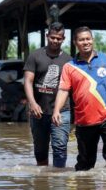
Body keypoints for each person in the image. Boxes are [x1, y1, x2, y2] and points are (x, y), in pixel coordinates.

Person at [52, 26, 106, 171]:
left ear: (92, 40)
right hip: (84, 120)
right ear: (75, 42)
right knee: (86, 164)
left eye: (88, 39)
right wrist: (56, 110)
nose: (85, 42)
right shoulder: (69, 67)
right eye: (81, 40)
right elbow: (63, 90)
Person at [24, 22, 72, 168]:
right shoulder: (35, 56)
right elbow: (27, 81)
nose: (55, 41)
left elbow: (71, 87)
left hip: (62, 111)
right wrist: (32, 103)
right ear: (47, 36)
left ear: (63, 39)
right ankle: (42, 184)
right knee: (40, 150)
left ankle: (58, 180)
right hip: (38, 111)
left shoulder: (68, 61)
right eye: (53, 37)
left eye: (59, 38)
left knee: (60, 148)